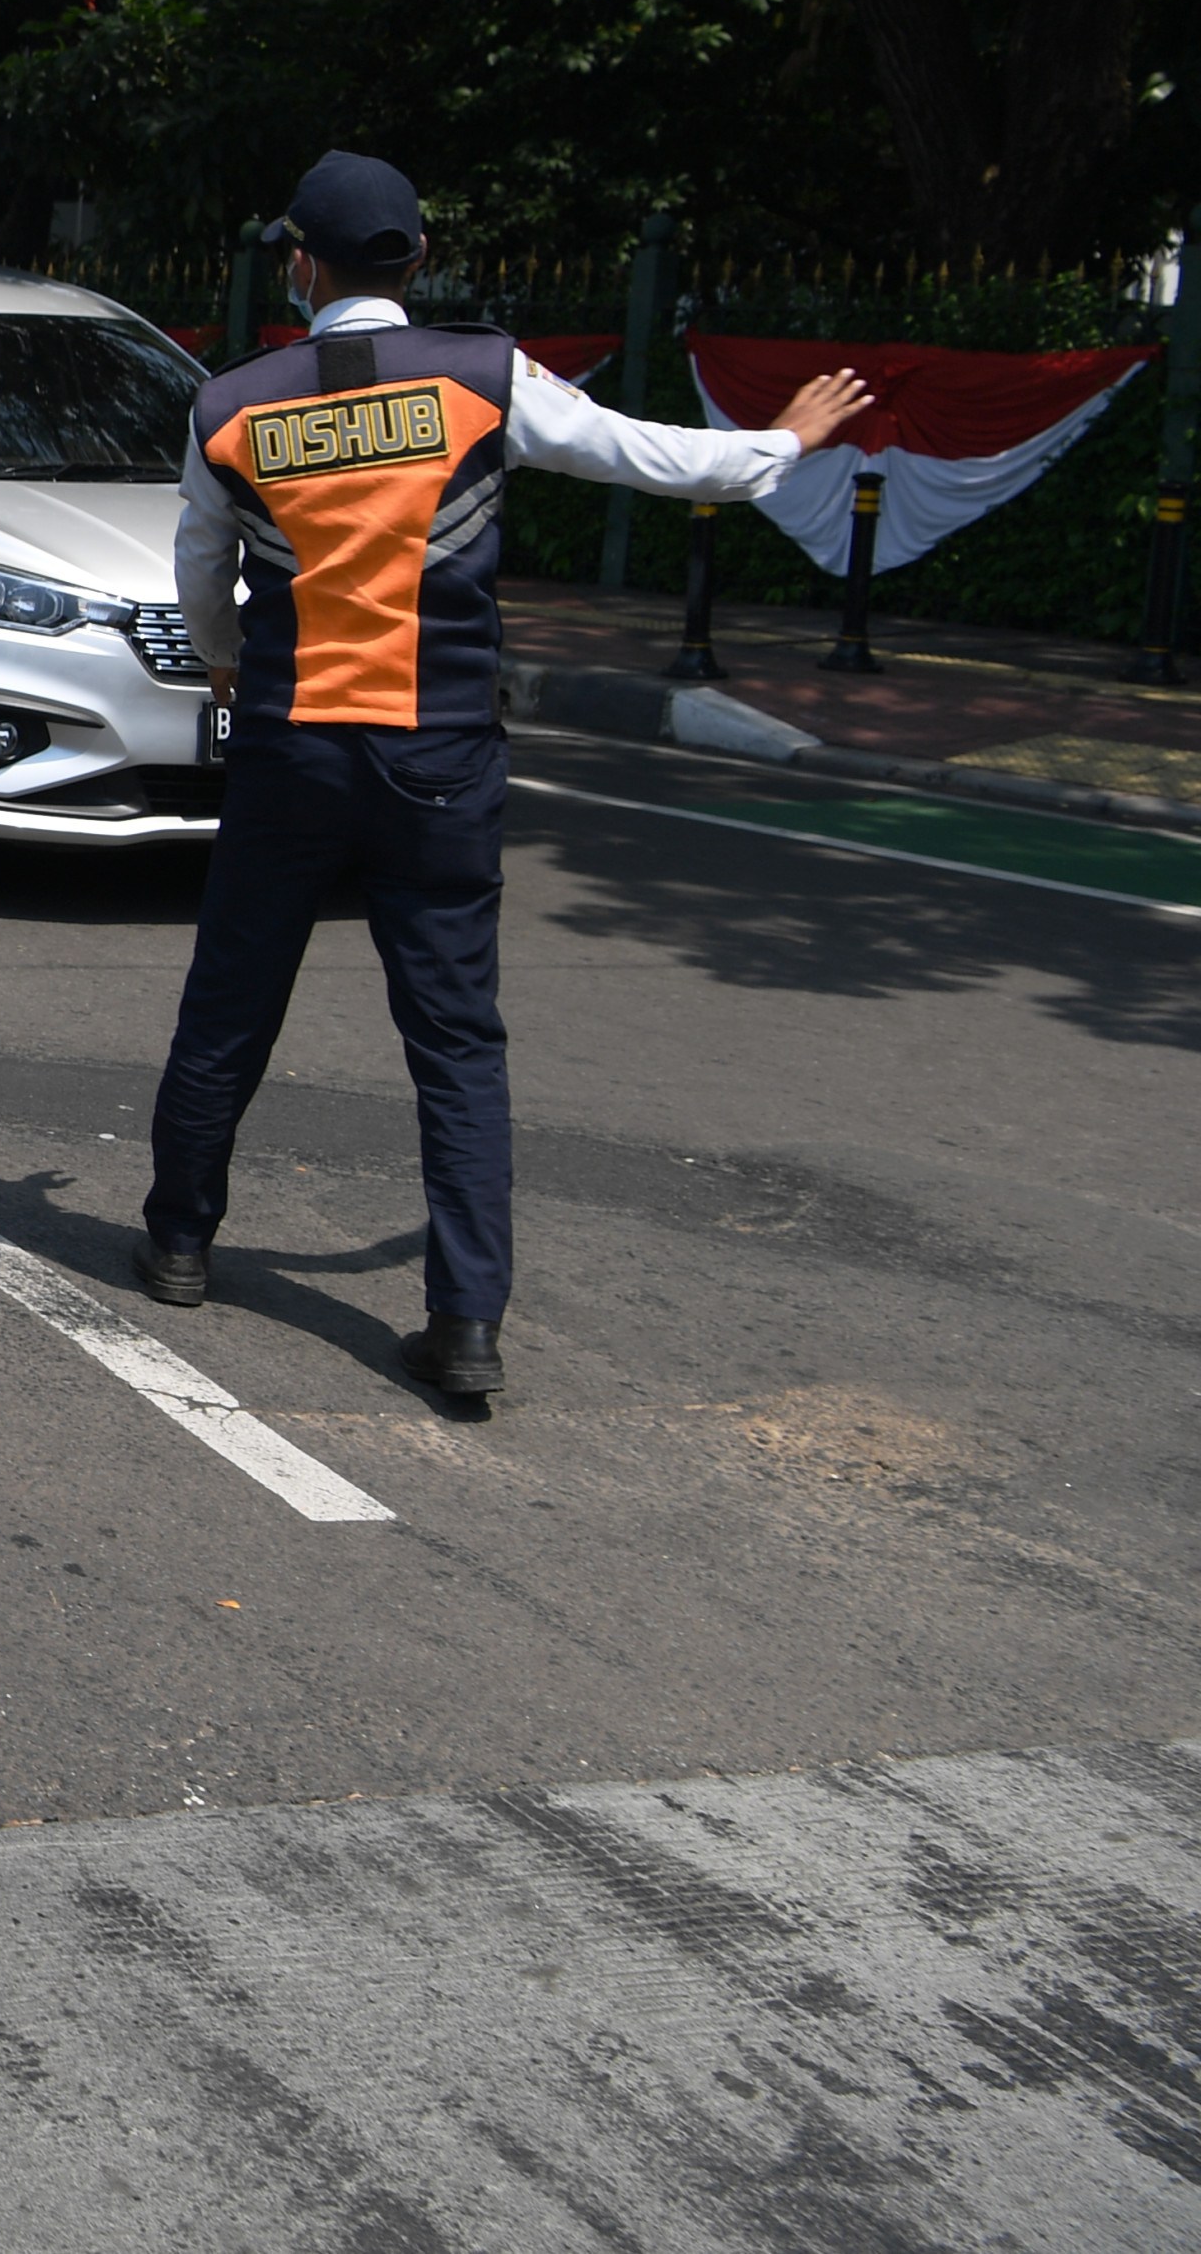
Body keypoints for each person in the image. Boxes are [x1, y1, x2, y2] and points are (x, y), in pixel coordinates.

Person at [131, 151, 866, 1403]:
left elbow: (203, 582)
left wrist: (228, 672)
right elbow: (646, 456)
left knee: (230, 1002)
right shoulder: (482, 377)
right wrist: (780, 445)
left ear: (301, 265)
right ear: (414, 261)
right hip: (440, 760)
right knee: (457, 1043)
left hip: (293, 749)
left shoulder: (229, 405)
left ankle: (180, 1243)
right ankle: (466, 1323)